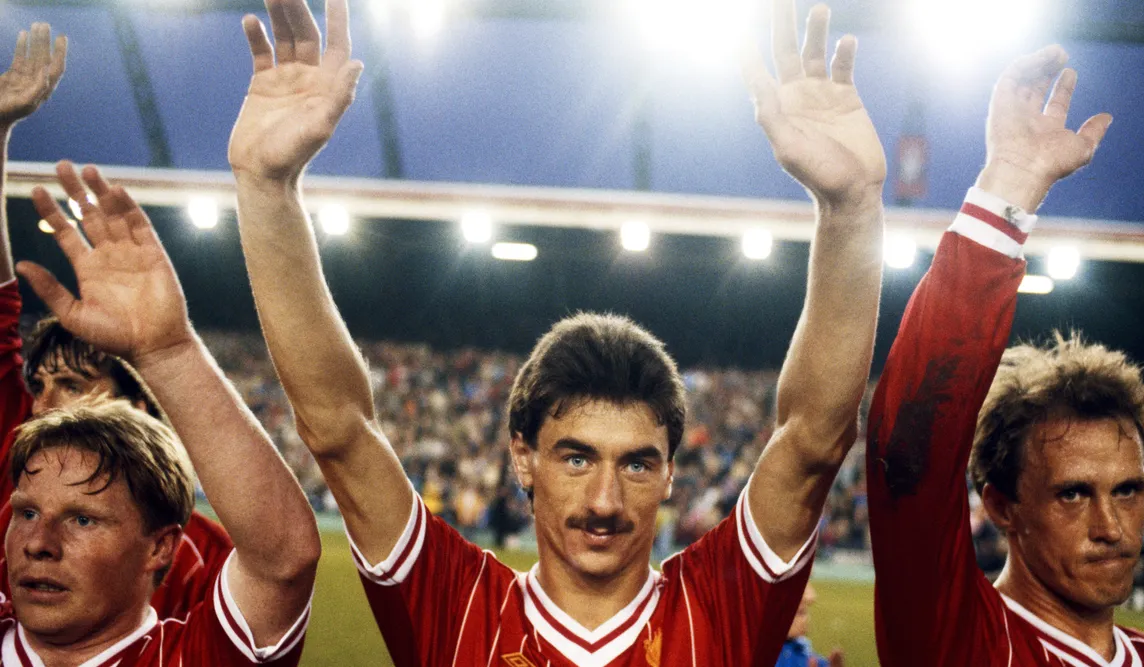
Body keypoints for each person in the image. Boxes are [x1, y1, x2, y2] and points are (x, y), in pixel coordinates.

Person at [227, 0, 885, 663]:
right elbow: (339, 427)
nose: (605, 500)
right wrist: (267, 188)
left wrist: (851, 207)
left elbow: (813, 439)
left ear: (670, 476)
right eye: (576, 456)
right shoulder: (458, 607)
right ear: (523, 457)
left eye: (636, 462)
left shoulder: (716, 607)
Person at [866, 46, 1144, 666]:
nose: (1112, 527)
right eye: (1072, 494)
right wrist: (1009, 189)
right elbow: (908, 452)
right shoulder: (960, 642)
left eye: (1128, 490)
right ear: (1001, 506)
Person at [4, 161, 319, 664]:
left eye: (83, 519)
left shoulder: (183, 649)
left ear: (160, 549)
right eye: (25, 512)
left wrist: (168, 353)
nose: (36, 543)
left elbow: (283, 561)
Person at [0, 25, 232, 622]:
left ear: (139, 406)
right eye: (40, 383)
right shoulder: (16, 462)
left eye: (72, 386)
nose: (43, 402)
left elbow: (288, 562)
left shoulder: (201, 556)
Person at [775, 585, 844, 667]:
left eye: (805, 613)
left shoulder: (801, 649)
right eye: (800, 613)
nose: (806, 619)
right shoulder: (767, 653)